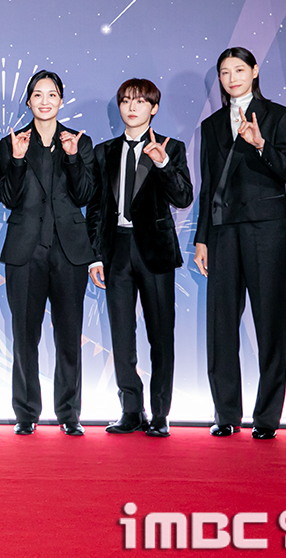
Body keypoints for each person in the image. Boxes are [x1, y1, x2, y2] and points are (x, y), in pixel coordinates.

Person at [194, 47, 286, 440]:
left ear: (254, 72)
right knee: (221, 324)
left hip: (265, 228)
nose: (232, 78)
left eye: (239, 70)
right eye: (224, 72)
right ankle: (226, 413)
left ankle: (267, 417)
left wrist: (261, 144)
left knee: (271, 321)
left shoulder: (279, 116)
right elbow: (208, 186)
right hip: (222, 231)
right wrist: (202, 238)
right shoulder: (211, 125)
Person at [86, 79, 193, 438]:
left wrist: (163, 164)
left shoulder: (171, 147)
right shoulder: (104, 151)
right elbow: (97, 207)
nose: (132, 108)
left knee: (161, 335)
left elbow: (183, 197)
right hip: (115, 249)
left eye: (140, 102)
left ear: (154, 108)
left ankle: (160, 413)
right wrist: (95, 256)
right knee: (121, 335)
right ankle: (131, 409)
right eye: (126, 101)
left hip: (155, 251)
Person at [0, 69, 95, 436]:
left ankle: (69, 413)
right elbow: (7, 197)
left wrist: (72, 158)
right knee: (25, 336)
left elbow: (85, 194)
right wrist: (17, 160)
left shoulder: (79, 141)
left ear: (61, 100)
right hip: (25, 251)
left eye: (51, 94)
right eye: (37, 94)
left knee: (69, 336)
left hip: (69, 251)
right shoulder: (13, 142)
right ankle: (26, 413)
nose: (44, 101)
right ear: (28, 101)